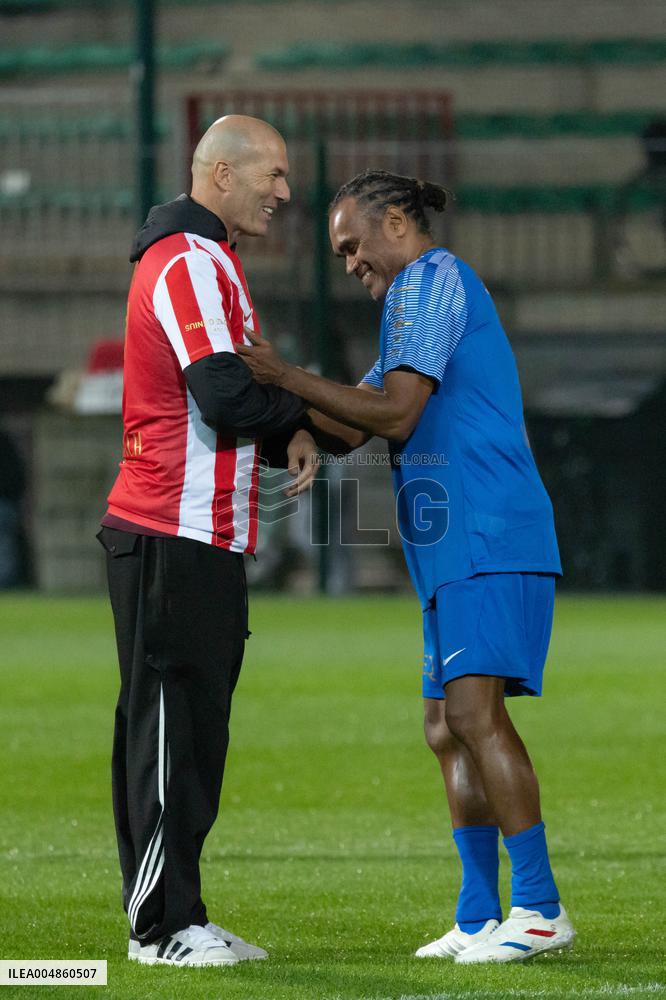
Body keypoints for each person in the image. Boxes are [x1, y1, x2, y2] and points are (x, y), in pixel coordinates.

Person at [238, 168, 576, 965]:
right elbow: (353, 427)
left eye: (353, 245)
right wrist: (274, 419)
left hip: (489, 531)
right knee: (444, 728)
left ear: (397, 222)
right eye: (340, 253)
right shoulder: (405, 311)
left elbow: (394, 414)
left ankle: (540, 907)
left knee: (473, 716)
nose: (349, 263)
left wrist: (283, 375)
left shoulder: (432, 283)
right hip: (450, 544)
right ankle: (478, 913)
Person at [98, 115, 318, 968]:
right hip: (166, 531)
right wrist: (303, 420)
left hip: (205, 535)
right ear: (220, 175)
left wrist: (289, 425)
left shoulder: (211, 259)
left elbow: (238, 388)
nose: (285, 192)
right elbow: (225, 396)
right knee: (166, 729)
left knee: (195, 732)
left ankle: (182, 910)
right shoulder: (188, 262)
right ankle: (158, 929)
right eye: (274, 174)